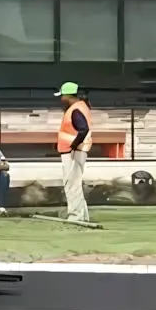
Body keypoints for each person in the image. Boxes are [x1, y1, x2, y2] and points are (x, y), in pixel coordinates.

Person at [54, 81, 95, 226]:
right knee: (74, 183)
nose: (61, 99)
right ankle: (81, 215)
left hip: (73, 151)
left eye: (62, 96)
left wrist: (73, 146)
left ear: (68, 95)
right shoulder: (80, 107)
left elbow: (82, 130)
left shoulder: (75, 110)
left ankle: (76, 216)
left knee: (72, 184)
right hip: (76, 150)